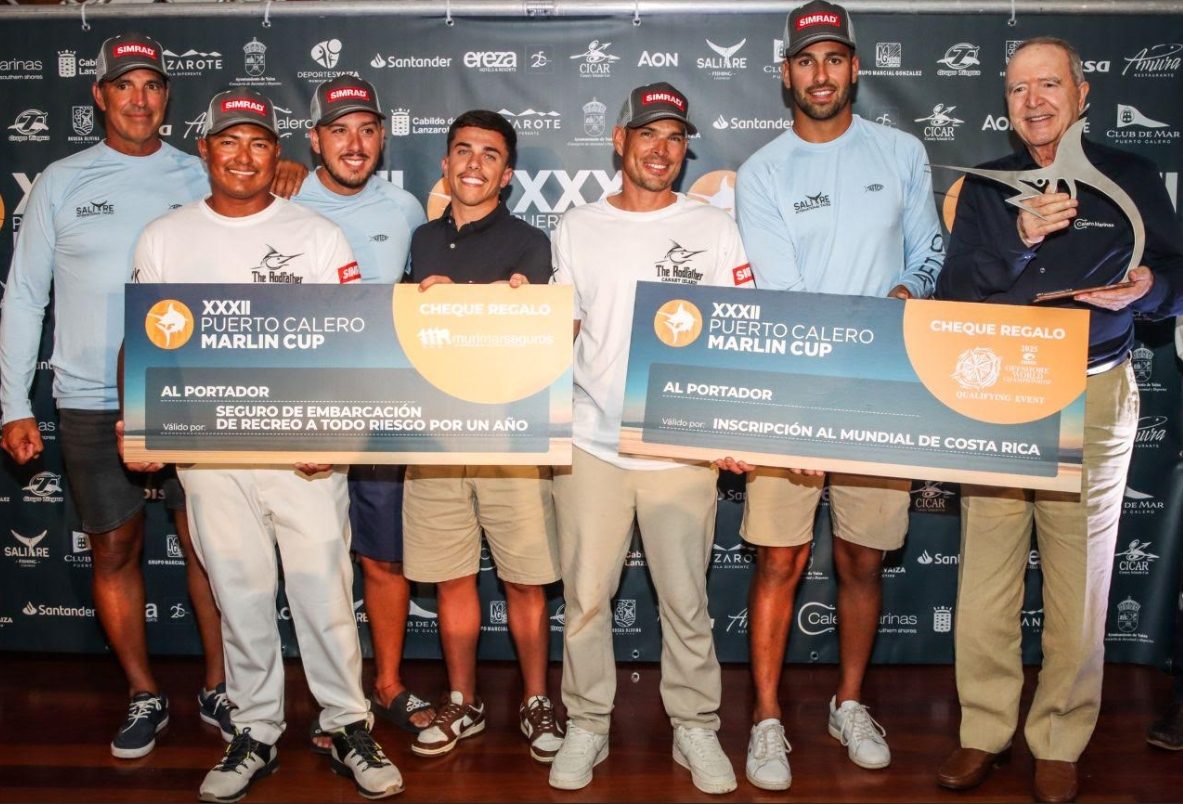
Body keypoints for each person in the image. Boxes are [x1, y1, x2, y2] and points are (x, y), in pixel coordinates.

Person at [127, 88, 403, 802]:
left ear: (276, 152)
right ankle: (254, 730)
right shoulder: (164, 236)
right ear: (205, 150)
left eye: (257, 142)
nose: (243, 156)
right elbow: (148, 339)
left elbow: (351, 343)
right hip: (211, 453)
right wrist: (141, 423)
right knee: (240, 593)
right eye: (228, 141)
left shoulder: (317, 234)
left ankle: (347, 724)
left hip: (302, 453)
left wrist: (336, 432)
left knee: (323, 593)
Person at [933, 37, 1183, 803]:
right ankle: (983, 731)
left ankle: (1058, 738)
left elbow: (1175, 280)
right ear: (1005, 105)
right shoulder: (986, 187)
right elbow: (953, 294)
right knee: (986, 577)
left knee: (1079, 582)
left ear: (1081, 94)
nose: (1033, 100)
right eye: (1018, 89)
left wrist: (1144, 288)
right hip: (998, 393)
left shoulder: (1130, 177)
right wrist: (1019, 239)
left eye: (1048, 84)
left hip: (1091, 391)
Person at [0, 32, 244, 758]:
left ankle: (220, 686)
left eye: (152, 85)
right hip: (88, 396)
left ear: (167, 96)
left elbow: (262, 216)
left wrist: (290, 171)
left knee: (209, 548)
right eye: (124, 85)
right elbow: (24, 296)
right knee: (114, 547)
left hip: (191, 393)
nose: (139, 98)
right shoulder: (59, 181)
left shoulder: (203, 171)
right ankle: (143, 692)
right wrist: (13, 403)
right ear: (100, 95)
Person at [729, 0, 944, 789]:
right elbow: (780, 296)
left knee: (860, 558)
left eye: (832, 58)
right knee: (779, 559)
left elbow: (928, 254)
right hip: (792, 393)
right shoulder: (762, 171)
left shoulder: (901, 151)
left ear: (853, 67)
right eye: (804, 60)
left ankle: (848, 702)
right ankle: (764, 718)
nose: (819, 74)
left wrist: (907, 290)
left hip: (882, 389)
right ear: (785, 74)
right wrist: (812, 413)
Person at [549, 82, 752, 795]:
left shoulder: (713, 228)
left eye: (673, 137)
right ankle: (587, 722)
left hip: (679, 447)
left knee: (686, 601)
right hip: (591, 444)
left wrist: (728, 426)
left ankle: (694, 724)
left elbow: (735, 335)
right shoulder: (577, 226)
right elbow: (564, 333)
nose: (661, 149)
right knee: (585, 599)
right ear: (619, 140)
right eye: (647, 134)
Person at [402, 110, 564, 763]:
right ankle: (462, 700)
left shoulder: (531, 243)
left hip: (510, 438)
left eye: (489, 154)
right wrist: (426, 303)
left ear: (507, 173)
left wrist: (504, 304)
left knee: (525, 579)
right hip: (435, 438)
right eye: (463, 151)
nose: (474, 163)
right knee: (451, 577)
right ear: (445, 163)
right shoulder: (419, 238)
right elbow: (405, 337)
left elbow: (540, 347)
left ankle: (536, 698)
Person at [293, 76, 434, 749]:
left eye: (367, 129)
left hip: (382, 408)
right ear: (314, 138)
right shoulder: (281, 201)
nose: (354, 143)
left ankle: (387, 683)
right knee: (317, 561)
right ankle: (337, 699)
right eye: (339, 129)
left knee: (382, 558)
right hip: (304, 412)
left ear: (382, 137)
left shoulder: (405, 207)